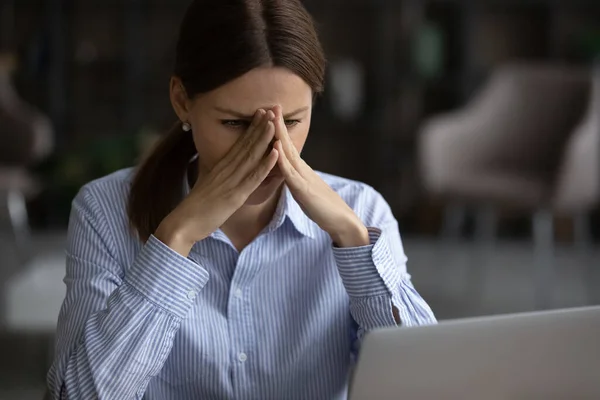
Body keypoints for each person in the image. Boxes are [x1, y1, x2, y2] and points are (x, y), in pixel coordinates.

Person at [46, 0, 436, 398]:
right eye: (235, 123)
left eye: (292, 122)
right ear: (182, 101)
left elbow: (426, 386)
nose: (268, 149)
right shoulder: (105, 209)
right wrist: (175, 238)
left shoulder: (363, 211)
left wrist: (352, 240)